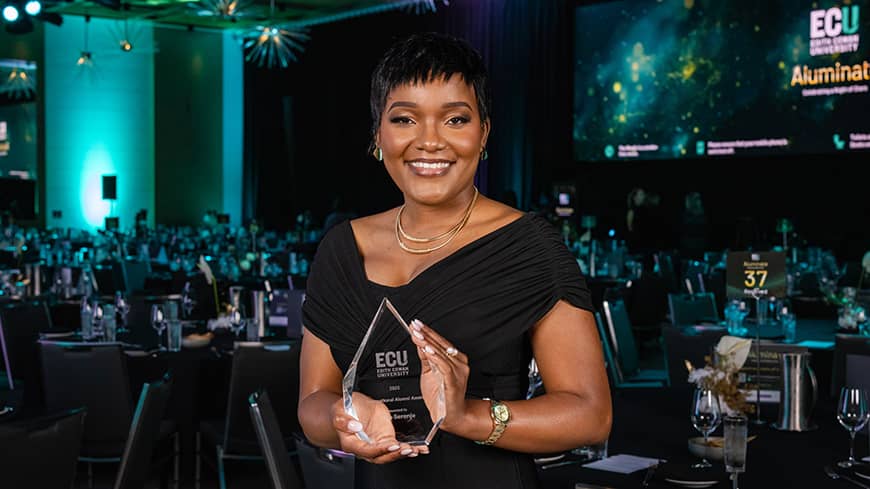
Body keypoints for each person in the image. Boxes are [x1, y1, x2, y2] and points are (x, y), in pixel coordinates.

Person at [298, 32, 611, 489]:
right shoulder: (341, 249)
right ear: (377, 135)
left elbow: (591, 415)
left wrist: (469, 416)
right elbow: (311, 405)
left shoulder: (530, 246)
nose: (429, 141)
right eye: (404, 119)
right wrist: (342, 416)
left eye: (455, 119)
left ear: (483, 133)